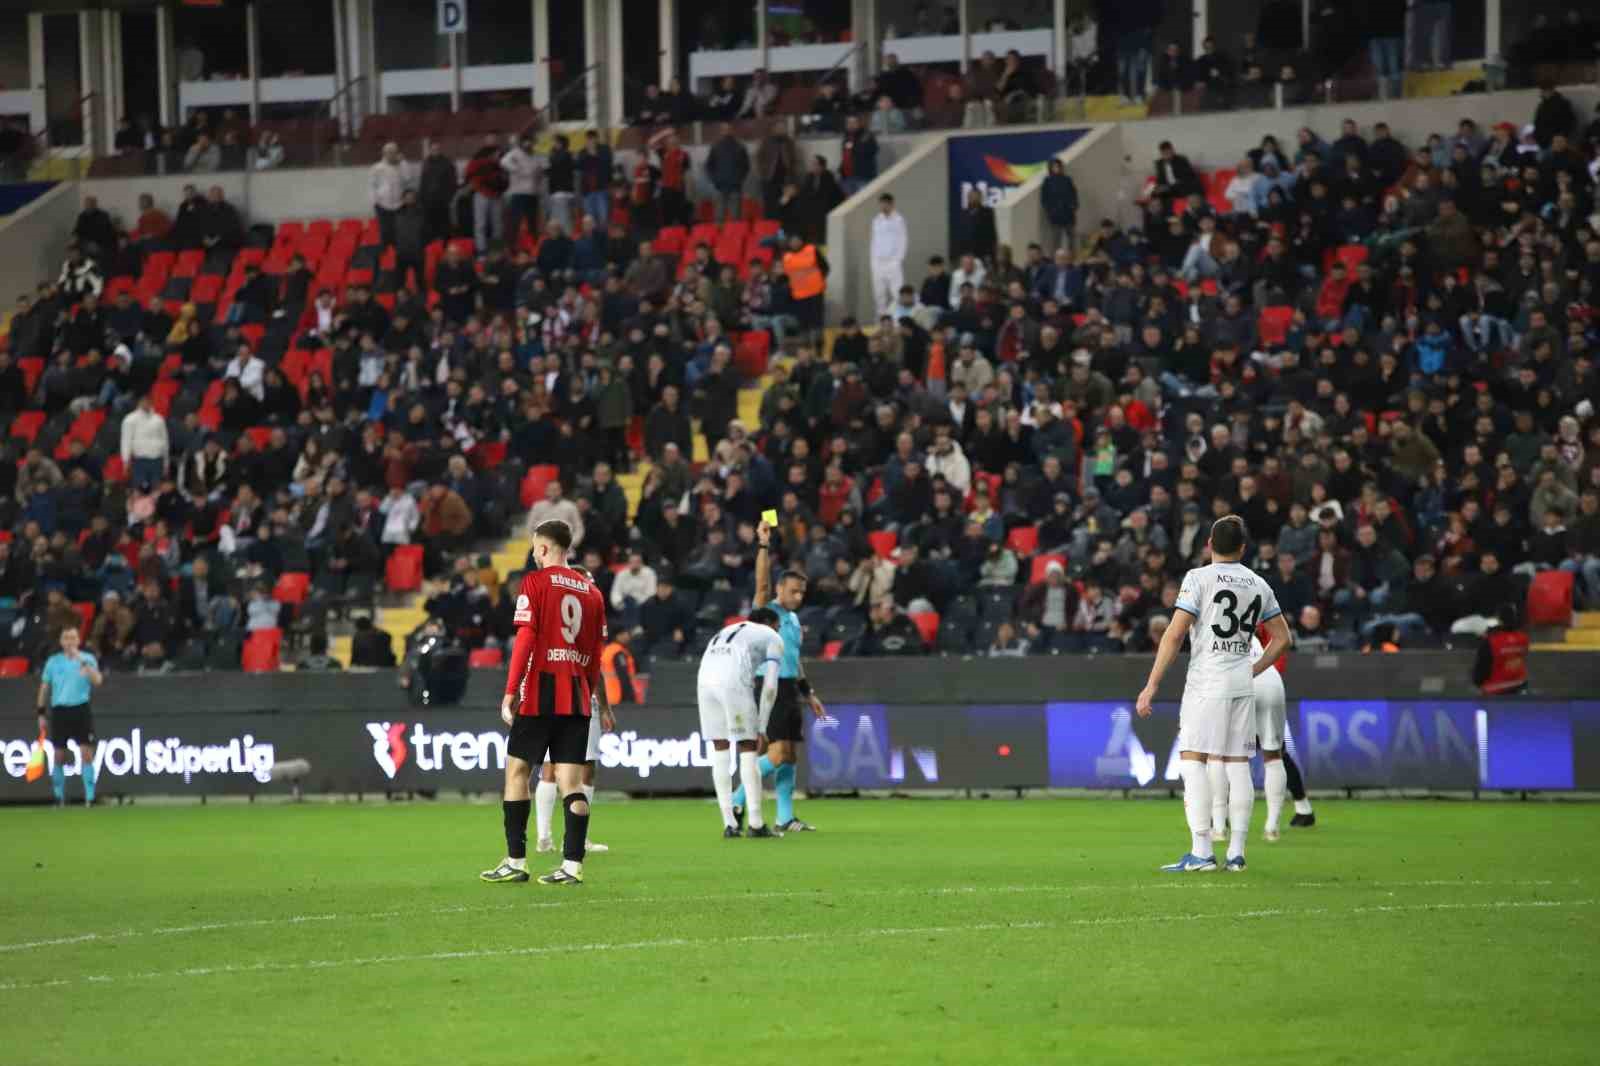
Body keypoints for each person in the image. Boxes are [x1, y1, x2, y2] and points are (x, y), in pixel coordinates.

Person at [1136, 515, 1291, 873]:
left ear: (1208, 544)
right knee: (1238, 764)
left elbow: (1174, 635)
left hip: (1207, 682)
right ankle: (1236, 854)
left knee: (1193, 760)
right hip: (1241, 682)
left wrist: (1152, 684)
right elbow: (1283, 639)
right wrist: (1254, 668)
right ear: (1243, 548)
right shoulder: (1258, 583)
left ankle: (1202, 851)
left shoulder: (1198, 578)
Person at [481, 519, 607, 886]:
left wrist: (510, 690)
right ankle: (572, 866)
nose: (534, 555)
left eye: (536, 548)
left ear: (543, 548)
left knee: (518, 772)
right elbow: (595, 654)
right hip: (578, 694)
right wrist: (585, 687)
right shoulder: (592, 592)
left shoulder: (535, 583)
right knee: (572, 781)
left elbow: (525, 639)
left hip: (540, 690)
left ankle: (516, 860)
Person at [729, 521, 828, 834]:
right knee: (777, 753)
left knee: (790, 756)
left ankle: (785, 816)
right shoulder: (765, 613)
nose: (798, 596)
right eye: (793, 591)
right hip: (765, 687)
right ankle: (736, 796)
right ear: (780, 590)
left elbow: (794, 660)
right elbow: (760, 584)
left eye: (802, 592)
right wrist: (763, 546)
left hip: (788, 690)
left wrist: (808, 692)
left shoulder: (795, 621)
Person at [532, 565, 616, 856]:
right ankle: (550, 836)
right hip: (571, 695)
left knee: (571, 767)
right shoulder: (584, 617)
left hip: (554, 695)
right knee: (563, 768)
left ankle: (563, 836)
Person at [698, 608, 786, 838]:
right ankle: (756, 823)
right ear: (769, 623)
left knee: (720, 748)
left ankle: (729, 824)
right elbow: (770, 686)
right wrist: (762, 726)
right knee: (748, 748)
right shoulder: (772, 636)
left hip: (704, 681)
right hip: (732, 682)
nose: (779, 631)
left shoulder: (727, 630)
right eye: (778, 625)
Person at [1208, 632, 1290, 844]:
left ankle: (1218, 827)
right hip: (1268, 676)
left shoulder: (1211, 625)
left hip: (1236, 676)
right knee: (1274, 756)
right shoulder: (1248, 621)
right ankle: (1272, 827)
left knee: (1221, 756)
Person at [37, 626, 104, 807]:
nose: (69, 642)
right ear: (61, 641)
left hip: (81, 709)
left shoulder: (87, 659)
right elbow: (45, 687)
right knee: (59, 755)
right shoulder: (53, 662)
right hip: (60, 710)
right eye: (66, 638)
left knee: (86, 753)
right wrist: (41, 712)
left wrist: (81, 660)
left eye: (73, 638)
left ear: (78, 640)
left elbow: (98, 681)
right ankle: (59, 797)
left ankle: (89, 797)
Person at [870, 193, 908, 319]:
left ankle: (899, 320)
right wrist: (873, 261)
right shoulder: (876, 220)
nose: (883, 206)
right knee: (879, 295)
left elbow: (903, 240)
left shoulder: (898, 220)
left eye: (886, 204)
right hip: (878, 262)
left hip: (893, 262)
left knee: (897, 293)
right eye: (881, 204)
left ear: (891, 204)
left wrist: (898, 259)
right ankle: (880, 321)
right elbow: (874, 241)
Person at [369, 141, 408, 249]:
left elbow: (408, 178)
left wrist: (402, 162)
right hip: (382, 206)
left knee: (399, 234)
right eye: (389, 152)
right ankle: (385, 258)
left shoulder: (401, 166)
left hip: (399, 206)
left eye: (394, 152)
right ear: (384, 153)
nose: (392, 154)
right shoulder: (377, 168)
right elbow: (372, 186)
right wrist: (375, 203)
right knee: (385, 234)